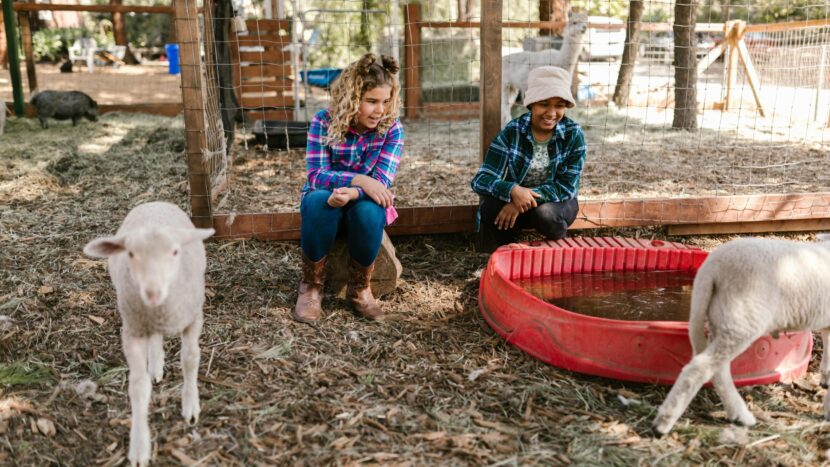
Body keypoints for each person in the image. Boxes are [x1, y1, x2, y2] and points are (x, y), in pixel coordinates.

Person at [294, 53, 404, 324]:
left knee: (371, 209)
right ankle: (311, 287)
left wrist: (357, 191)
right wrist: (358, 180)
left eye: (386, 101)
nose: (380, 110)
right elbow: (316, 175)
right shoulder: (323, 121)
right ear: (352, 98)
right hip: (327, 200)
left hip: (361, 202)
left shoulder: (392, 130)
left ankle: (360, 289)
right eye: (371, 101)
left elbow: (381, 181)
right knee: (319, 200)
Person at [470, 66, 586, 253]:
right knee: (489, 208)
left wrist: (522, 199)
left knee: (546, 215)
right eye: (544, 104)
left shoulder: (574, 134)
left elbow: (566, 187)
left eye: (559, 106)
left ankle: (555, 249)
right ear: (531, 103)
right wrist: (512, 190)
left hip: (556, 203)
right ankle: (507, 247)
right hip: (517, 200)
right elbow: (481, 180)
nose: (551, 113)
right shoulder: (513, 131)